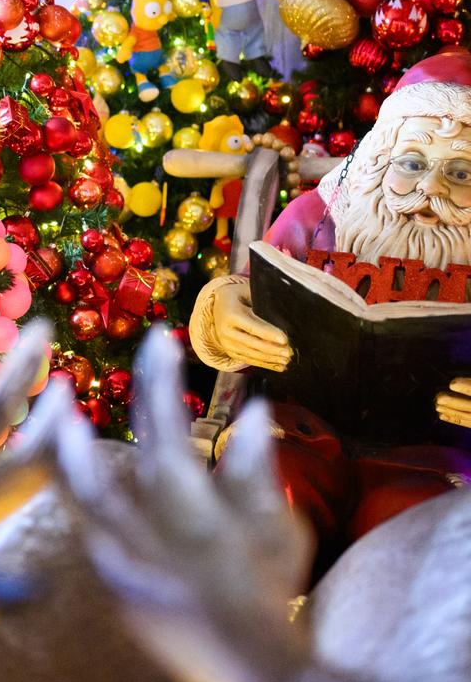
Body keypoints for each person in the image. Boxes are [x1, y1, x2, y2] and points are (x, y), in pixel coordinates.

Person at [190, 48, 471, 552]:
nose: (430, 186)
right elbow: (251, 288)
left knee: (418, 532)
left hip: (433, 461)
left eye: (461, 172)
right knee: (265, 487)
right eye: (412, 162)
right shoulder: (318, 218)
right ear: (381, 156)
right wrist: (222, 311)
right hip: (300, 434)